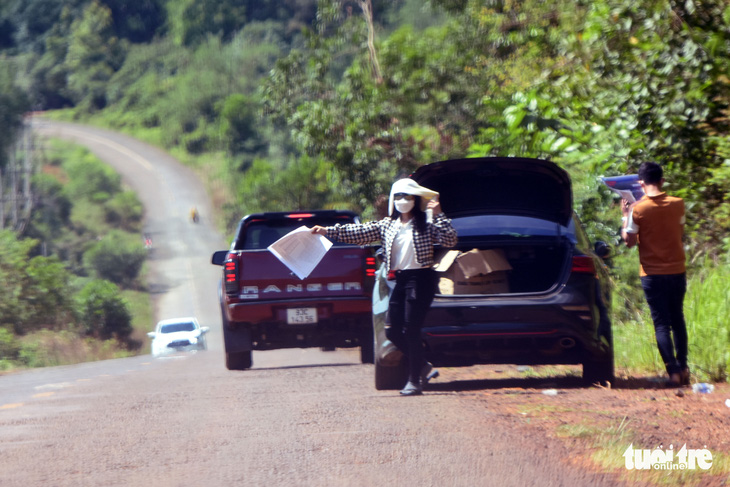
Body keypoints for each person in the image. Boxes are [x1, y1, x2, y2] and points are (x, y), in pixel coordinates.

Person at [311, 178, 458, 396]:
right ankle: (423, 366)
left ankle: (414, 380)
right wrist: (327, 231)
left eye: (407, 197)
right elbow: (358, 232)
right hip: (399, 279)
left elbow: (450, 240)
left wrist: (439, 214)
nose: (402, 201)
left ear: (415, 199)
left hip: (421, 279)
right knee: (392, 330)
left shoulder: (427, 223)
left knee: (411, 329)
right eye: (398, 197)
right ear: (392, 200)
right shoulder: (388, 225)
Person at [620, 162, 689, 387]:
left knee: (661, 324)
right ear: (662, 181)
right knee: (677, 318)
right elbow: (679, 231)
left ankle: (673, 372)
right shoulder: (678, 204)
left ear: (641, 183)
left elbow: (629, 242)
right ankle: (684, 366)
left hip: (651, 274)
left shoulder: (637, 209)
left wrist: (625, 216)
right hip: (677, 270)